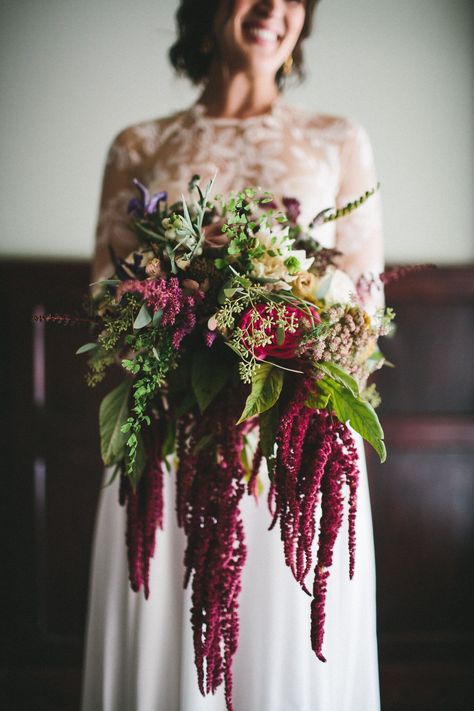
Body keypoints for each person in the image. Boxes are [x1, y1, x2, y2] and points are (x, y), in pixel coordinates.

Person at [82, 1, 383, 709]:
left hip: (293, 444)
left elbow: (360, 310)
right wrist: (183, 322)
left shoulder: (337, 140)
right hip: (173, 436)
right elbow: (105, 296)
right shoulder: (140, 145)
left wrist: (290, 364)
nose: (274, 7)